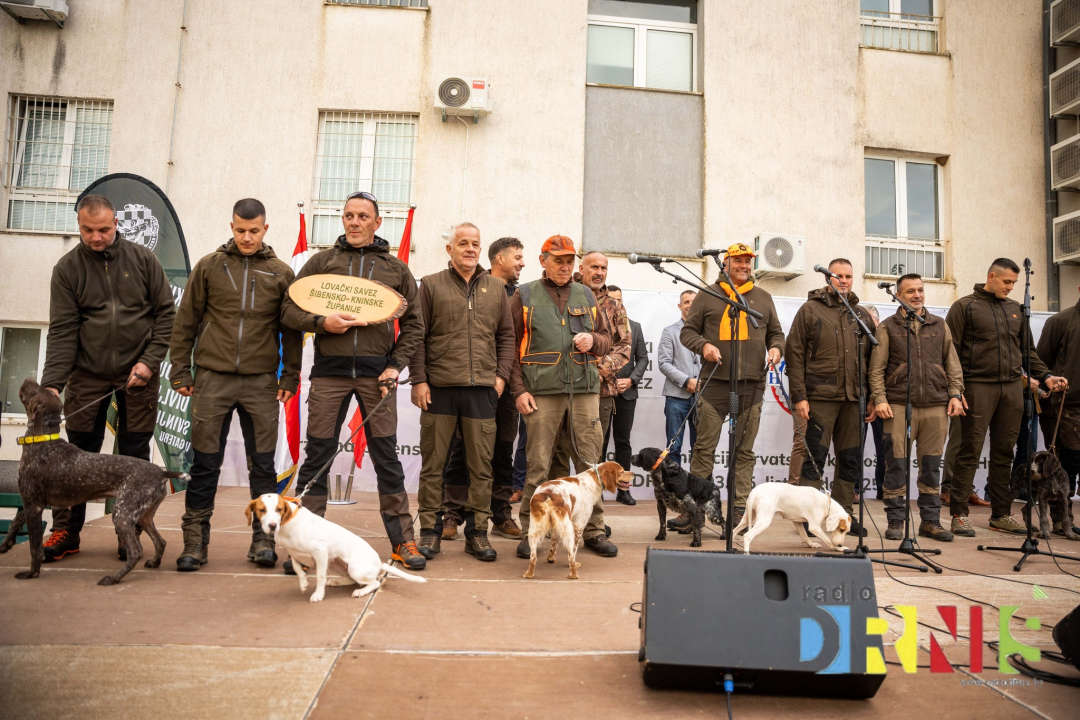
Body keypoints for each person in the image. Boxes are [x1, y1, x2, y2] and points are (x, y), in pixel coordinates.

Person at [281, 191, 426, 570]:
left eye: (363, 216)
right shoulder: (322, 262)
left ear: (378, 223)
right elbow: (287, 309)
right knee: (317, 458)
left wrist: (395, 365)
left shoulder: (395, 269)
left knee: (386, 458)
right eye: (349, 216)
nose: (355, 222)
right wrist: (320, 323)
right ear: (342, 220)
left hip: (377, 376)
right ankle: (307, 545)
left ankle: (403, 543)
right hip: (329, 372)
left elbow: (415, 325)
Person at [39, 194, 176, 562]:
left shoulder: (143, 260)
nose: (96, 237)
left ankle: (127, 530)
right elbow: (63, 330)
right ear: (78, 225)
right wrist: (53, 384)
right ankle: (66, 531)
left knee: (134, 455)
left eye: (103, 229)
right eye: (87, 230)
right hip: (87, 375)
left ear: (116, 223)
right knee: (74, 459)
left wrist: (149, 362)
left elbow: (166, 316)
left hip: (138, 374)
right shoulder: (67, 269)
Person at [169, 198, 302, 571]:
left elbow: (290, 330)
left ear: (265, 229)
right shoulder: (210, 266)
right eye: (241, 230)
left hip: (261, 382)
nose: (247, 237)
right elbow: (186, 321)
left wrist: (289, 375)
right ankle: (195, 541)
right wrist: (180, 369)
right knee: (205, 464)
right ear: (231, 227)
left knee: (262, 467)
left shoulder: (280, 272)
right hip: (212, 378)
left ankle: (264, 541)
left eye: (254, 231)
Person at [410, 224, 516, 562]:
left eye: (475, 244)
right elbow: (417, 335)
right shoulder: (430, 285)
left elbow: (506, 337)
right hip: (439, 388)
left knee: (481, 468)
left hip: (482, 391)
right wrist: (419, 379)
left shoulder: (496, 288)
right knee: (434, 465)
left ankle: (478, 534)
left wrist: (500, 376)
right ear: (450, 249)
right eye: (463, 244)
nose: (469, 249)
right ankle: (429, 531)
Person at [511, 235, 618, 559]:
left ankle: (595, 531)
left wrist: (593, 341)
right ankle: (533, 530)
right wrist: (519, 390)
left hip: (584, 391)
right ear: (543, 260)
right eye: (558, 260)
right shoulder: (524, 294)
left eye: (569, 260)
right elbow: (507, 345)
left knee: (590, 466)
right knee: (539, 466)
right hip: (541, 392)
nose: (565, 266)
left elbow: (606, 338)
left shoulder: (586, 294)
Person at [945, 258, 1068, 537]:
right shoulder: (964, 306)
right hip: (977, 386)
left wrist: (1046, 376)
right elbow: (949, 353)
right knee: (970, 450)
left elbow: (1028, 352)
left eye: (1014, 283)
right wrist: (955, 389)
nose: (1011, 287)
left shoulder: (1017, 310)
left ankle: (1000, 514)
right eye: (1006, 282)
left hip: (1012, 387)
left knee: (1005, 453)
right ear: (991, 276)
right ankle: (959, 514)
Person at [680, 243, 784, 525]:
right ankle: (696, 511)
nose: (743, 266)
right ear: (725, 264)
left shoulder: (763, 297)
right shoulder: (707, 295)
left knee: (744, 452)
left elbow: (776, 334)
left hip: (752, 385)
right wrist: (703, 346)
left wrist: (776, 348)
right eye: (737, 261)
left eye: (747, 261)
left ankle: (740, 509)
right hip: (714, 385)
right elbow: (687, 333)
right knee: (703, 450)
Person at [440, 237, 526, 542]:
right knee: (462, 449)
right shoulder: (475, 287)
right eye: (517, 257)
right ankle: (453, 511)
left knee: (503, 449)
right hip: (473, 385)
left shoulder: (523, 295)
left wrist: (506, 379)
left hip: (506, 385)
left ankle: (501, 513)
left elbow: (512, 341)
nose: (522, 263)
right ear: (499, 259)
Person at [868, 274, 964, 542]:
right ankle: (896, 519)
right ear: (898, 295)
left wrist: (955, 394)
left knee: (931, 465)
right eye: (910, 291)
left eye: (920, 290)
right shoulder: (888, 326)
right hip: (898, 405)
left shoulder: (939, 324)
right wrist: (881, 399)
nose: (917, 295)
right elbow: (876, 369)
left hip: (936, 404)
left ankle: (930, 522)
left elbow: (952, 363)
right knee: (895, 464)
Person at [785, 257, 872, 537]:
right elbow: (794, 355)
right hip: (820, 398)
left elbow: (873, 361)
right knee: (815, 459)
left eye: (848, 276)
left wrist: (870, 397)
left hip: (854, 400)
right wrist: (799, 395)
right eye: (838, 276)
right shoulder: (810, 310)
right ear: (827, 279)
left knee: (849, 460)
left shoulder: (861, 315)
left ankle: (843, 515)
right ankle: (809, 519)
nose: (844, 280)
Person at [548, 252, 632, 481]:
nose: (599, 273)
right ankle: (561, 509)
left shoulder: (615, 306)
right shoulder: (563, 295)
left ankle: (592, 513)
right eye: (594, 267)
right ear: (581, 269)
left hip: (600, 391)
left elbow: (624, 346)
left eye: (603, 268)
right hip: (560, 386)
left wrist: (596, 371)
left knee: (593, 453)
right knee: (558, 452)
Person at [1036, 287, 1080, 534]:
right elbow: (1040, 362)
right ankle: (1062, 520)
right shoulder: (1060, 321)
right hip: (1064, 407)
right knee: (1065, 466)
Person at [604, 285, 648, 504]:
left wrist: (631, 380)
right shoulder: (598, 325)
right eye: (611, 299)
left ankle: (623, 489)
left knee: (623, 442)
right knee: (599, 443)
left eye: (619, 300)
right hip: (602, 392)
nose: (616, 303)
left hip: (626, 394)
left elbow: (642, 359)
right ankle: (596, 491)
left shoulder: (635, 327)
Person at [658, 290, 701, 465]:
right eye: (686, 301)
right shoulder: (669, 332)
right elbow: (664, 363)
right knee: (673, 448)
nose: (690, 305)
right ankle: (674, 491)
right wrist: (687, 381)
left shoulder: (709, 331)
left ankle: (699, 489)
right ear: (680, 306)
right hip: (677, 398)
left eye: (694, 301)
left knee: (700, 448)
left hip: (702, 398)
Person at [862, 304, 887, 501]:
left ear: (878, 322)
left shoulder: (885, 340)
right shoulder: (857, 341)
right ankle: (853, 489)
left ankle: (884, 489)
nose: (867, 325)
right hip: (859, 400)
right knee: (853, 449)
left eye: (871, 321)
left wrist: (877, 399)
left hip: (882, 401)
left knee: (886, 448)